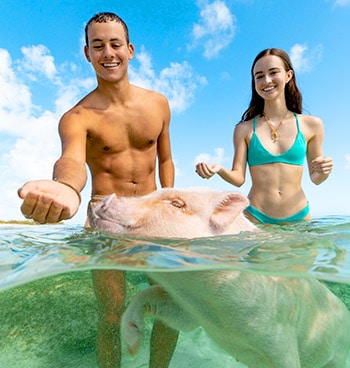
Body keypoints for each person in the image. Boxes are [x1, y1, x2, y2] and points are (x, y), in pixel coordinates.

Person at [18, 12, 177, 368]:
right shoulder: (77, 117)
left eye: (115, 44)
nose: (108, 52)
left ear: (130, 50)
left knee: (169, 304)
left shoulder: (159, 103)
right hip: (106, 216)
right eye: (98, 45)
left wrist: (170, 199)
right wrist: (66, 189)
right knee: (111, 313)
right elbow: (71, 161)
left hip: (153, 213)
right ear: (87, 53)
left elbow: (166, 158)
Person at [196, 48, 333, 224]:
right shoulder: (243, 129)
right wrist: (219, 169)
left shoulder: (312, 125)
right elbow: (239, 179)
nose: (266, 80)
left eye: (273, 72)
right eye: (259, 76)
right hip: (256, 217)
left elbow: (316, 179)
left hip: (299, 217)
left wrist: (324, 171)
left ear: (288, 75)